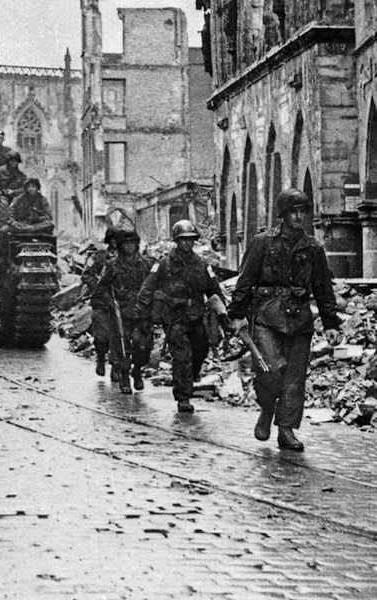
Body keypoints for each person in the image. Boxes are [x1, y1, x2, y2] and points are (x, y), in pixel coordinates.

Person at [228, 188, 342, 452]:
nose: (299, 216)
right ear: (283, 214)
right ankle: (267, 409)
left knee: (294, 378)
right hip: (267, 316)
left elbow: (323, 287)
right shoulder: (262, 242)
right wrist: (235, 315)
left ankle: (286, 430)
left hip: (300, 320)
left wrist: (331, 323)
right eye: (294, 211)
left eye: (303, 211)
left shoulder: (313, 248)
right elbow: (245, 280)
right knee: (270, 370)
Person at [134, 220, 227, 413]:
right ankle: (183, 397)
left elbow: (214, 291)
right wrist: (144, 315)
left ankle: (188, 381)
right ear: (177, 241)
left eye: (190, 240)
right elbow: (147, 289)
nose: (187, 243)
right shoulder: (164, 264)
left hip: (197, 317)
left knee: (200, 353)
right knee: (182, 356)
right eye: (183, 240)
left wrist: (223, 312)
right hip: (174, 318)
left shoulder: (201, 265)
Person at [84, 227, 150, 391]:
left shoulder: (147, 263)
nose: (128, 247)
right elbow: (97, 282)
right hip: (116, 309)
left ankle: (136, 370)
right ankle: (123, 375)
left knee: (143, 347)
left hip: (141, 311)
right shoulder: (104, 260)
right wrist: (108, 300)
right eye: (123, 243)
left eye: (132, 243)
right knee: (116, 342)